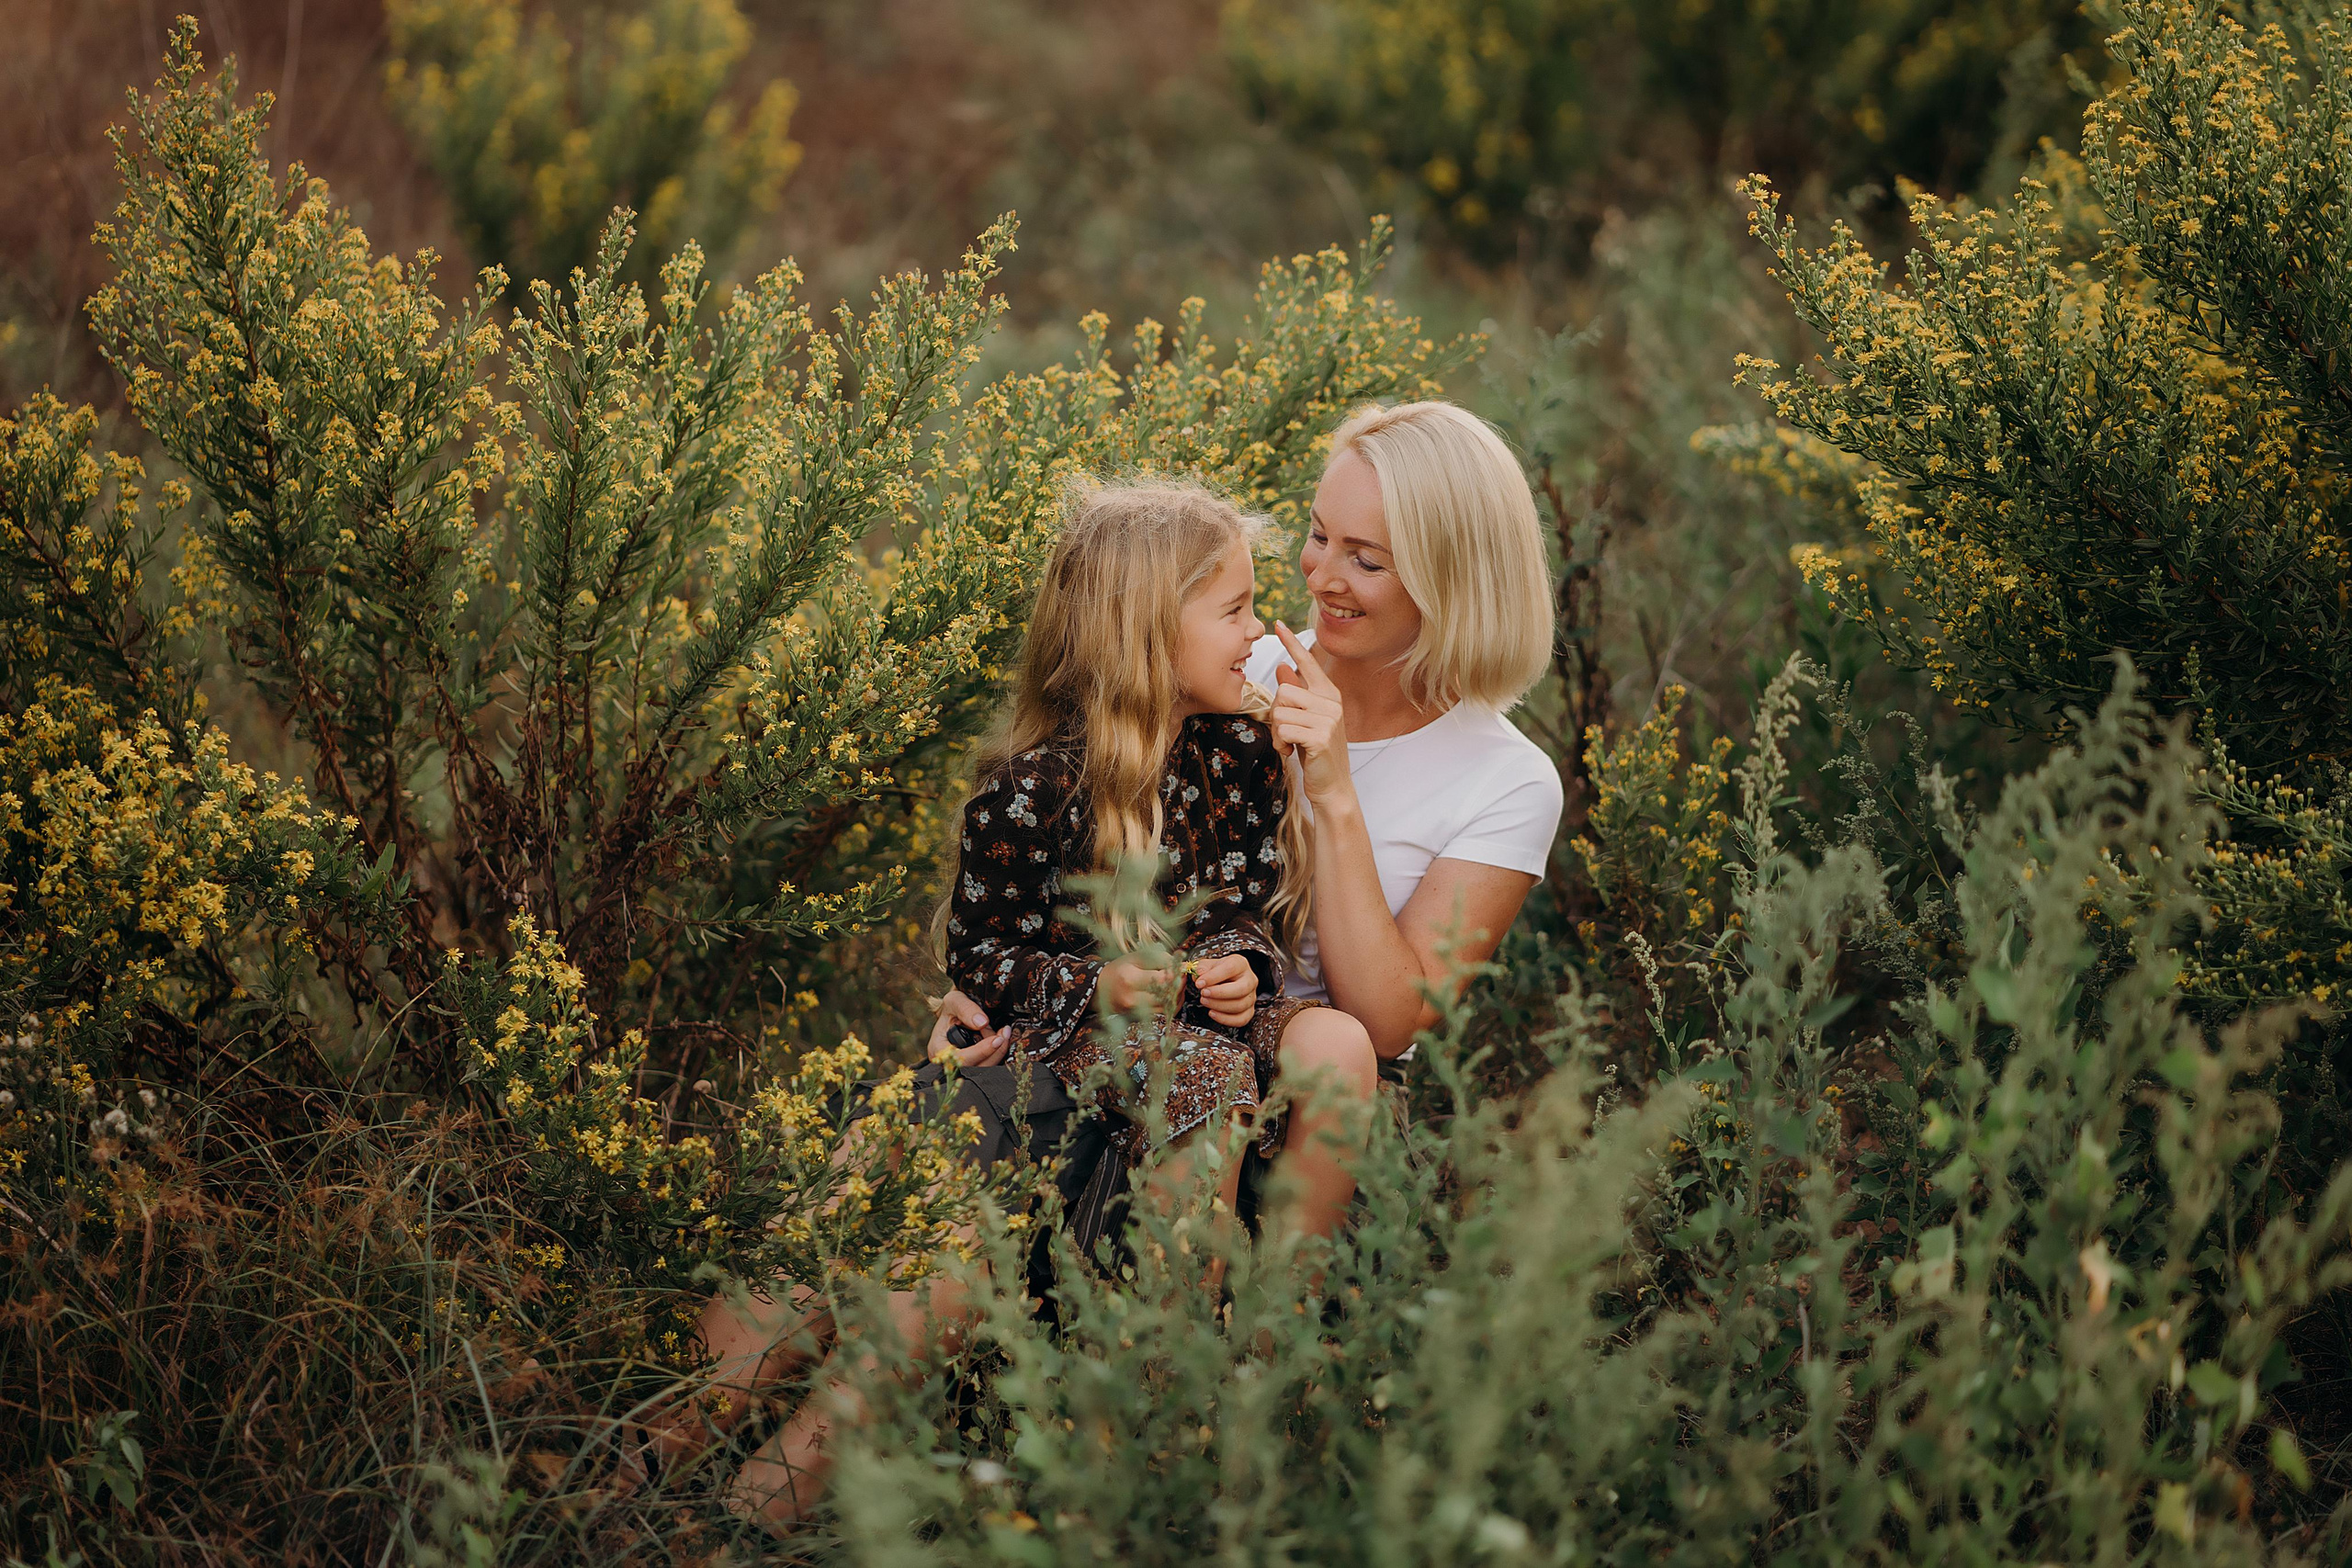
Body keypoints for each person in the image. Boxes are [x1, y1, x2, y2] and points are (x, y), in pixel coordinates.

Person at [648, 479, 1380, 1529]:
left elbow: (1244, 907)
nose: (1262, 629)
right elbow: (982, 953)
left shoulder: (1239, 761)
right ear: (1140, 632)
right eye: (1232, 609)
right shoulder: (1030, 790)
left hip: (1170, 1067)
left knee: (1209, 1069)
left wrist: (1238, 967)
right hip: (1039, 1066)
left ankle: (1172, 1417)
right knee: (885, 1208)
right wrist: (1093, 985)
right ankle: (681, 1446)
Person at [939, 397, 1562, 1077]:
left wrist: (1335, 793)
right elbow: (1074, 856)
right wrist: (999, 997)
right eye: (1320, 535)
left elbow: (1386, 1026)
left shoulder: (1508, 782)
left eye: (1368, 561)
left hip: (1326, 1090)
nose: (1321, 578)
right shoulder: (1229, 674)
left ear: (1453, 583)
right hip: (1147, 1047)